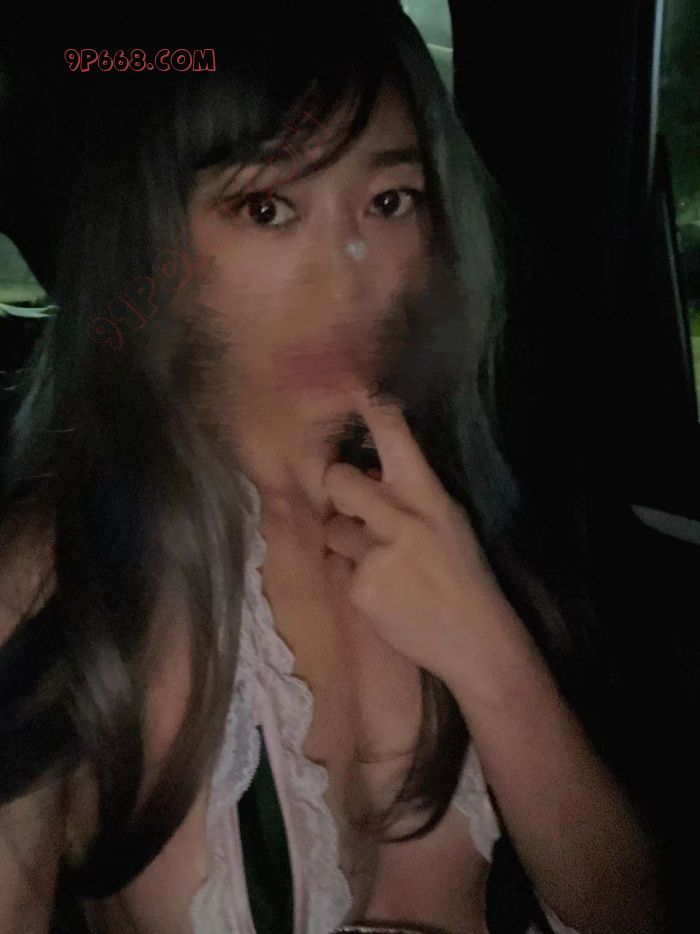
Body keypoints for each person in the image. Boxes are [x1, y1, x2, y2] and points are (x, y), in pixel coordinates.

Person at [0, 5, 666, 933]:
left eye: (389, 202)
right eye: (268, 208)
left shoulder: (465, 499)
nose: (350, 278)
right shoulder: (56, 580)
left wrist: (491, 656)